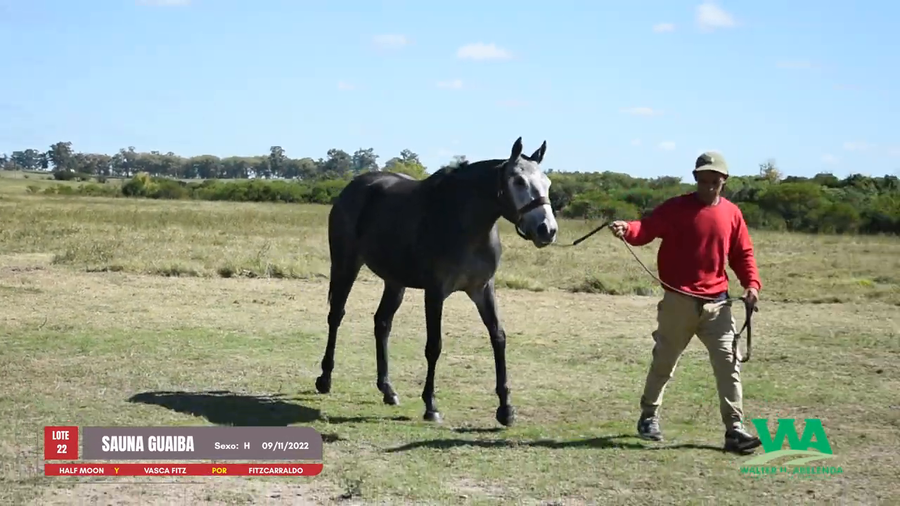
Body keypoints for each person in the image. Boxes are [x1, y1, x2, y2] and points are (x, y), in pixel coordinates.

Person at [609, 151, 763, 454]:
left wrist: (752, 285)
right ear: (695, 178)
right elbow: (646, 229)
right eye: (702, 180)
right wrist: (627, 228)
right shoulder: (675, 208)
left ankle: (735, 430)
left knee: (729, 367)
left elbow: (742, 254)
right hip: (678, 302)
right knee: (664, 361)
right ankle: (648, 416)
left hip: (718, 305)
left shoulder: (732, 214)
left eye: (713, 181)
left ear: (724, 180)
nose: (707, 186)